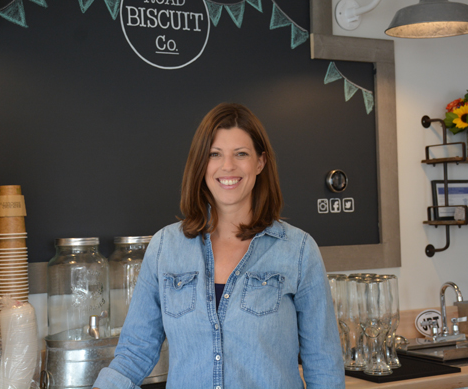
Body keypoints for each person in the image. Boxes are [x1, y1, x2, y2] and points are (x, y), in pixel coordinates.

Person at [93, 103, 344, 389]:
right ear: (201, 163)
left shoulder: (299, 250)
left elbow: (324, 365)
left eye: (241, 154)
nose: (228, 166)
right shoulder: (164, 247)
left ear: (260, 162)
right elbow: (135, 351)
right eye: (215, 154)